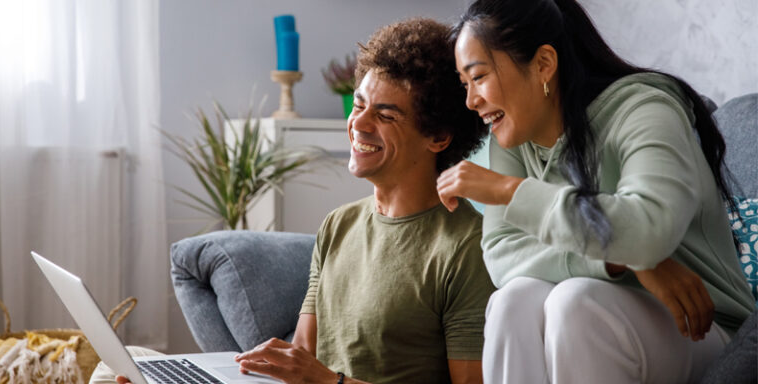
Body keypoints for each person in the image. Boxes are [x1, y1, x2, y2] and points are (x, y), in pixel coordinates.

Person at [104, 17, 493, 384]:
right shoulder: (338, 225)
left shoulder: (465, 246)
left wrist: (329, 381)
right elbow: (302, 355)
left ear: (438, 137)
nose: (358, 124)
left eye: (385, 116)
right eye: (359, 105)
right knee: (118, 369)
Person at [435, 0, 755, 383]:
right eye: (465, 84)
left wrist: (508, 190)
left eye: (479, 77)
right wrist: (620, 261)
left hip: (702, 325)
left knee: (576, 304)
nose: (471, 100)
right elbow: (502, 253)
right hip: (598, 319)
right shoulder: (514, 139)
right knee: (512, 300)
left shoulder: (644, 108)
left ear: (543, 64)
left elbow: (649, 229)